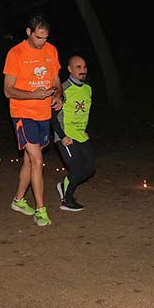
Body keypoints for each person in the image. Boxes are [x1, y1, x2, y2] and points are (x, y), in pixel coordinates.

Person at [3, 14, 62, 227]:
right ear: (29, 32)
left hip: (43, 114)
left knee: (29, 160)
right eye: (38, 37)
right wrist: (33, 95)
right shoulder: (15, 53)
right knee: (37, 161)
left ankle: (18, 200)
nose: (42, 42)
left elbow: (55, 79)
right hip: (22, 113)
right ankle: (41, 209)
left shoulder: (51, 50)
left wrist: (58, 96)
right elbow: (8, 91)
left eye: (45, 38)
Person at [51, 54, 93, 211]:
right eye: (78, 67)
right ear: (69, 69)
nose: (83, 70)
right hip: (65, 135)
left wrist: (84, 130)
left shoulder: (88, 89)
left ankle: (64, 185)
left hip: (81, 134)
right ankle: (67, 200)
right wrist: (62, 137)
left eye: (84, 67)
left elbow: (83, 112)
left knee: (89, 168)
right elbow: (52, 117)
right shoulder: (63, 89)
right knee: (76, 167)